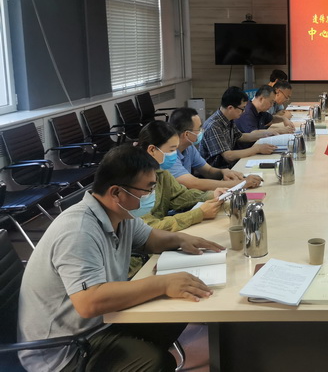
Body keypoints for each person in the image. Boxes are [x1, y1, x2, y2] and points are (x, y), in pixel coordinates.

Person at [17, 146, 223, 372]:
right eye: (147, 189)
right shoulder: (78, 231)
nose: (151, 195)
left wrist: (181, 239)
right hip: (65, 349)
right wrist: (163, 284)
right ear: (116, 192)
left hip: (100, 322)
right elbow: (89, 303)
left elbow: (150, 239)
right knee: (156, 363)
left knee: (177, 312)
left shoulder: (119, 214)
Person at [135, 121, 229, 231]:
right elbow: (149, 227)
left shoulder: (161, 173)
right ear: (152, 150)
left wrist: (211, 195)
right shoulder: (134, 180)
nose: (175, 155)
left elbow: (180, 195)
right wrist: (199, 214)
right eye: (171, 150)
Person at [168, 107, 263, 191]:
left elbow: (208, 171)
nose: (202, 131)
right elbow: (194, 183)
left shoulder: (189, 147)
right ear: (187, 134)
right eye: (199, 128)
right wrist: (241, 184)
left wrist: (223, 172)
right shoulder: (169, 155)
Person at [200, 86, 277, 169]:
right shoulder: (214, 126)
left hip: (230, 166)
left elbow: (241, 136)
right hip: (218, 171)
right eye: (242, 108)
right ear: (230, 108)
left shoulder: (229, 119)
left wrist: (267, 134)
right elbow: (228, 156)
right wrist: (257, 149)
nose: (244, 112)